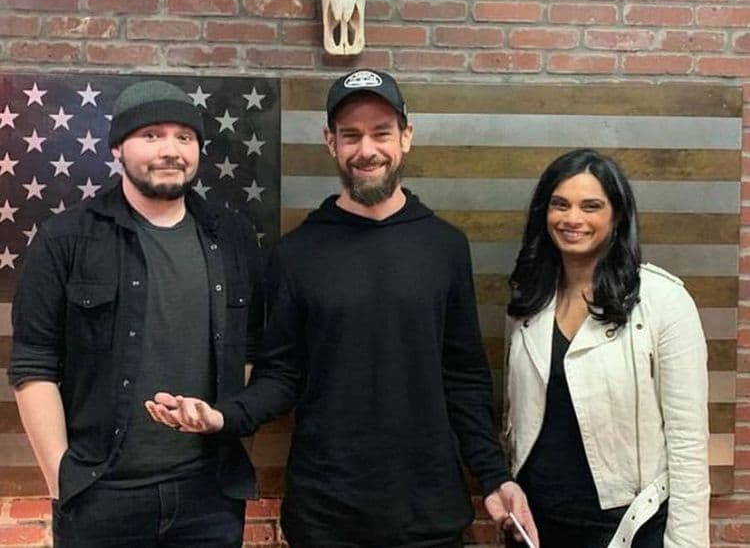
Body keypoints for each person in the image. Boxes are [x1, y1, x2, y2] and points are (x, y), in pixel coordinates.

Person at [146, 68, 538, 547]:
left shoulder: (445, 246)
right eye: (351, 135)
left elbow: (464, 379)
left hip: (429, 513)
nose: (366, 149)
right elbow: (281, 375)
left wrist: (495, 477)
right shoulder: (296, 254)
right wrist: (223, 417)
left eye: (381, 133)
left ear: (406, 137)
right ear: (330, 142)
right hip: (325, 515)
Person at [9, 80, 264, 547]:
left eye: (184, 137)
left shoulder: (232, 237)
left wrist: (231, 430)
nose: (170, 150)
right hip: (101, 497)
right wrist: (63, 481)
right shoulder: (66, 238)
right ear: (117, 148)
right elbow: (33, 365)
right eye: (151, 135)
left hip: (209, 498)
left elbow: (248, 354)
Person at [504, 148, 710, 548]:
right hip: (537, 524)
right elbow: (515, 417)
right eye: (560, 204)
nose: (572, 218)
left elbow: (688, 443)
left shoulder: (663, 302)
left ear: (617, 216)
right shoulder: (528, 300)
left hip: (627, 527)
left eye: (591, 206)